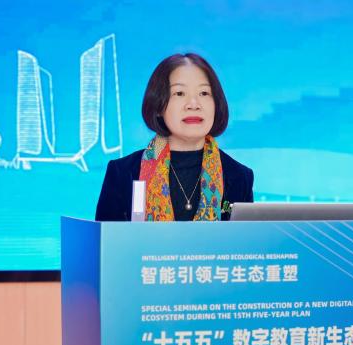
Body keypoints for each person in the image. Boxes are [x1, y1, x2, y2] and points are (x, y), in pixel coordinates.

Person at [95, 53, 253, 222]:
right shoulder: (122, 173)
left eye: (204, 93)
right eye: (179, 93)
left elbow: (245, 237)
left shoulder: (238, 176)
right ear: (158, 105)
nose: (193, 104)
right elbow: (105, 238)